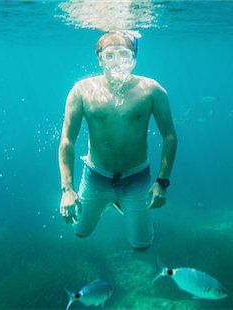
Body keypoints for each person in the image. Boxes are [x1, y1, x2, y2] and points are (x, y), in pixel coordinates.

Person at [58, 31, 177, 251]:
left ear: (134, 59)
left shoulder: (152, 90)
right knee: (80, 232)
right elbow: (67, 140)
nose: (116, 62)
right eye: (109, 55)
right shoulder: (82, 91)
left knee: (141, 246)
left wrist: (162, 182)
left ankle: (124, 206)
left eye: (123, 54)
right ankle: (111, 202)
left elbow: (169, 135)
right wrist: (67, 190)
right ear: (99, 59)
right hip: (95, 176)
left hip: (137, 178)